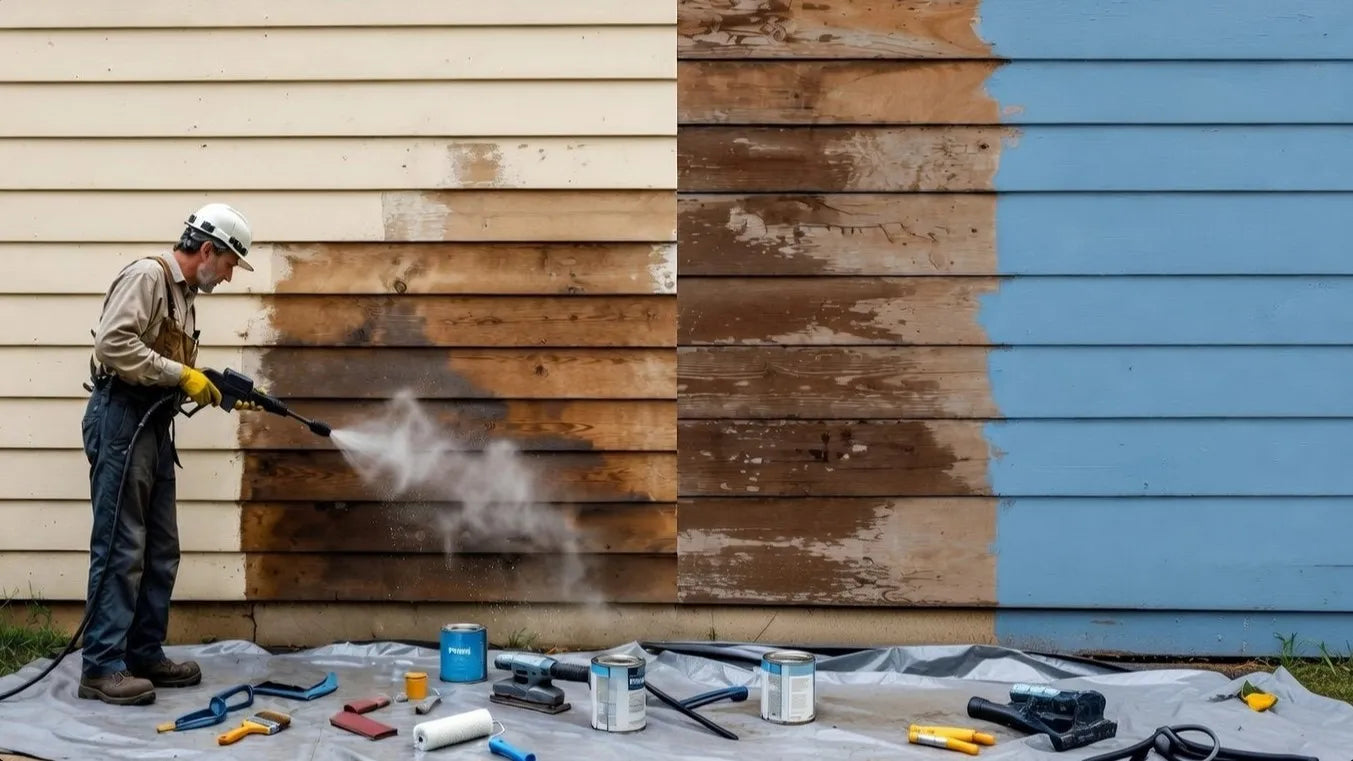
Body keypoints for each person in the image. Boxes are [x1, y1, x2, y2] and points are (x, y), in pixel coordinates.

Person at [77, 203, 256, 705]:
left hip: (153, 426)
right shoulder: (147, 277)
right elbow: (115, 345)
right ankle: (101, 666)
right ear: (207, 250)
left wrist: (208, 387)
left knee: (160, 548)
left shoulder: (184, 298)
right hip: (120, 420)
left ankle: (142, 653)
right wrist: (183, 376)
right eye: (228, 265)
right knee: (121, 546)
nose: (227, 277)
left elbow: (162, 367)